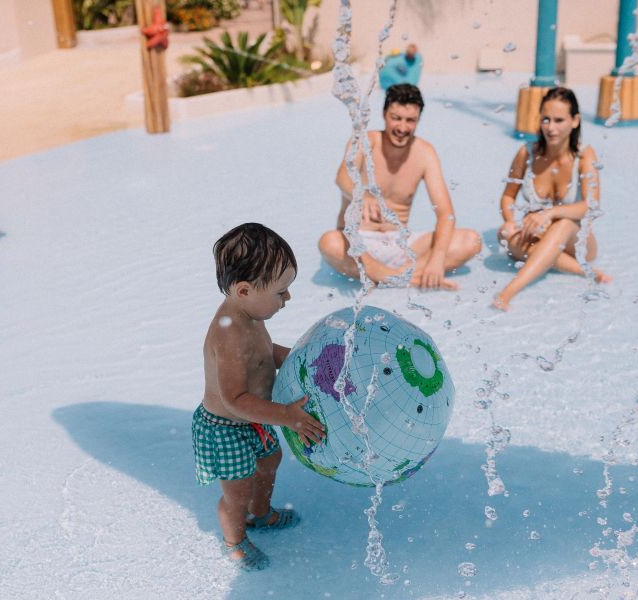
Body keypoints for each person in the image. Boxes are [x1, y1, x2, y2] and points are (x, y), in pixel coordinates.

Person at [193, 222, 326, 571]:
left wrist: (301, 359)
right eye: (281, 292)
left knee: (270, 461)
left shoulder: (250, 315)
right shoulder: (229, 333)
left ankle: (261, 513)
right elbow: (235, 397)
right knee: (237, 490)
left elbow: (265, 354)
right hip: (226, 427)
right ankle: (234, 539)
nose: (288, 298)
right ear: (244, 290)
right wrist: (287, 415)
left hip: (256, 420)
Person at [318, 84, 481, 290]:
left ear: (418, 120)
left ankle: (388, 276)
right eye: (396, 118)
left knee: (471, 241)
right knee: (329, 242)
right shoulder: (365, 142)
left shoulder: (424, 152)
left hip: (401, 244)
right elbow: (341, 177)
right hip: (359, 243)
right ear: (384, 114)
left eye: (410, 120)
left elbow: (445, 214)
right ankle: (406, 277)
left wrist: (437, 260)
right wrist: (362, 194)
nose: (402, 128)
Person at [493, 87, 611, 310]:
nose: (551, 127)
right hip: (536, 237)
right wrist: (509, 219)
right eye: (546, 119)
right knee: (506, 234)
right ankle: (581, 270)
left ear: (575, 121)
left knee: (564, 224)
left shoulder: (585, 155)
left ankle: (508, 291)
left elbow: (590, 205)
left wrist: (551, 213)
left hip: (578, 242)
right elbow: (508, 196)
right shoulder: (526, 153)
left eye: (559, 120)